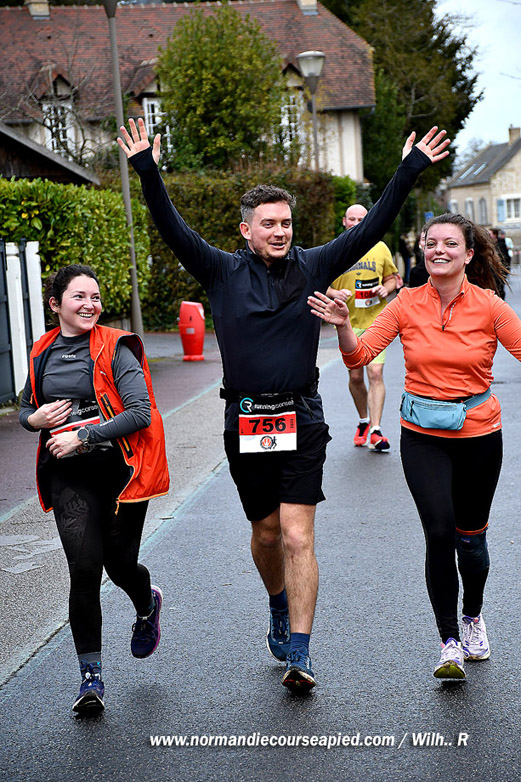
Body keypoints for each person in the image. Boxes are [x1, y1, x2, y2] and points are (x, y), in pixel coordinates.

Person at [118, 117, 449, 692]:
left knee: (298, 535)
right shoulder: (220, 271)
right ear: (245, 230)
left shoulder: (314, 265)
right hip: (245, 419)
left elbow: (374, 224)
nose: (279, 231)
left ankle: (301, 651)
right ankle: (276, 601)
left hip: (303, 415)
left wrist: (410, 168)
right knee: (267, 533)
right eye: (268, 223)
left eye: (286, 222)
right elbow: (171, 227)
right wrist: (147, 167)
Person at [308, 213, 519, 681]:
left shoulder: (488, 306)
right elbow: (360, 356)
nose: (438, 250)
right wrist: (345, 325)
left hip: (480, 434)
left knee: (472, 540)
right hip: (423, 436)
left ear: (468, 253)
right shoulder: (405, 303)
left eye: (449, 243)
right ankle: (449, 642)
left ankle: (473, 616)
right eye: (431, 243)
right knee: (440, 534)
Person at [19, 264, 169, 714]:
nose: (90, 305)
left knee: (120, 566)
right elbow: (28, 406)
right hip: (69, 475)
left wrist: (84, 436)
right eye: (79, 297)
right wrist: (34, 421)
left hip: (121, 472)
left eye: (95, 297)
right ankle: (91, 679)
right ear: (55, 305)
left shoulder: (116, 347)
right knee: (84, 570)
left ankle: (146, 603)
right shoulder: (42, 350)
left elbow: (140, 413)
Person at [326, 204, 398, 452]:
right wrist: (336, 293)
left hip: (377, 322)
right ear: (344, 222)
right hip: (348, 324)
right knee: (356, 376)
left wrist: (385, 289)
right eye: (352, 219)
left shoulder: (379, 247)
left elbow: (393, 279)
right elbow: (321, 284)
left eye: (362, 219)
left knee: (375, 374)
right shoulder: (335, 250)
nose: (356, 223)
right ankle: (364, 421)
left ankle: (376, 430)